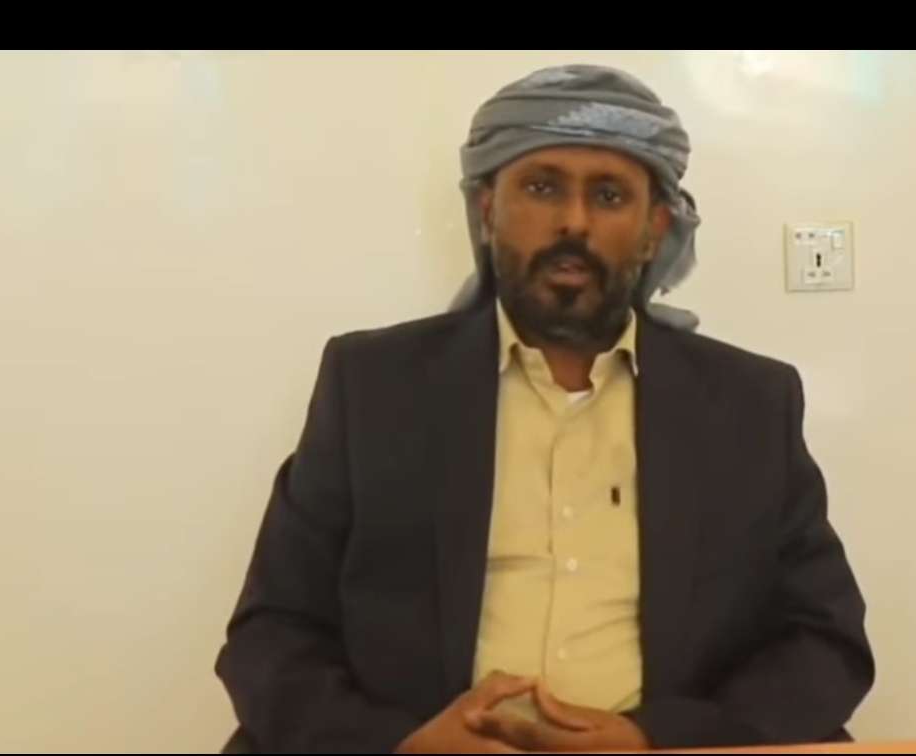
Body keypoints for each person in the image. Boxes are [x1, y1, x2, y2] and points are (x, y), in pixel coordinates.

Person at [216, 63, 874, 753]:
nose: (573, 222)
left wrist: (650, 740)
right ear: (486, 208)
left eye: (609, 195)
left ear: (654, 227)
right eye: (541, 187)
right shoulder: (375, 386)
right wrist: (403, 745)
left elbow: (824, 641)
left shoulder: (746, 405)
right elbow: (272, 633)